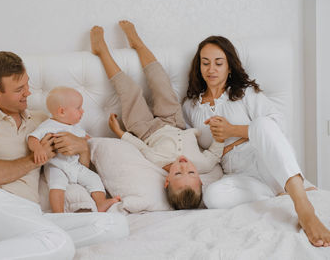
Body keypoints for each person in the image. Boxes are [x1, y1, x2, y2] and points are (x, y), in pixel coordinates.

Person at [0, 51, 129, 259]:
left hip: (28, 212)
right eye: (19, 89)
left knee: (115, 225)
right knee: (60, 244)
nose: (28, 93)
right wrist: (35, 157)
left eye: (27, 84)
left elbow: (76, 167)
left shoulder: (44, 121)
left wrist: (81, 147)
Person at [182, 35, 330, 247]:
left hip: (264, 159)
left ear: (229, 67)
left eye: (218, 63)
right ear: (198, 67)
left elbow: (277, 127)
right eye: (205, 63)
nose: (211, 69)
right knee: (213, 196)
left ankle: (304, 208)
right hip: (240, 175)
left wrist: (231, 130)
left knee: (261, 124)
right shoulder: (191, 107)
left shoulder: (244, 94)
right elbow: (190, 145)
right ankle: (282, 190)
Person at [90, 20, 224, 210]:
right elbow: (215, 153)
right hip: (174, 121)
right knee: (161, 81)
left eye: (178, 174)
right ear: (201, 181)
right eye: (191, 173)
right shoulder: (204, 164)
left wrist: (120, 132)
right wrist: (220, 131)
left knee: (129, 90)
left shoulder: (156, 163)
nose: (184, 166)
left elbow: (139, 147)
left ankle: (102, 52)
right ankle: (138, 44)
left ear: (167, 181)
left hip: (144, 129)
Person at [28, 86, 120, 213]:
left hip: (75, 166)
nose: (82, 111)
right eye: (78, 108)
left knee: (94, 179)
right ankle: (58, 212)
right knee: (56, 186)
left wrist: (94, 142)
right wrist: (38, 149)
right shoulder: (48, 126)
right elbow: (32, 138)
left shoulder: (75, 128)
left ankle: (100, 203)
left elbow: (88, 140)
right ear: (62, 111)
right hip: (56, 166)